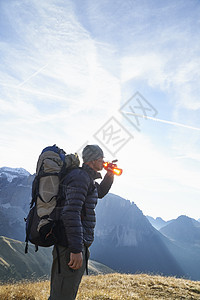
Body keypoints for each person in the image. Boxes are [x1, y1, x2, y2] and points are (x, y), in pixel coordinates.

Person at [49, 144, 114, 300]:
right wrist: (76, 249)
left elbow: (99, 193)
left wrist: (110, 174)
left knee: (67, 293)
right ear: (93, 160)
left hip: (74, 243)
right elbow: (71, 213)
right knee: (62, 296)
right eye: (101, 158)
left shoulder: (86, 178)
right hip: (69, 246)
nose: (103, 161)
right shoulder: (80, 177)